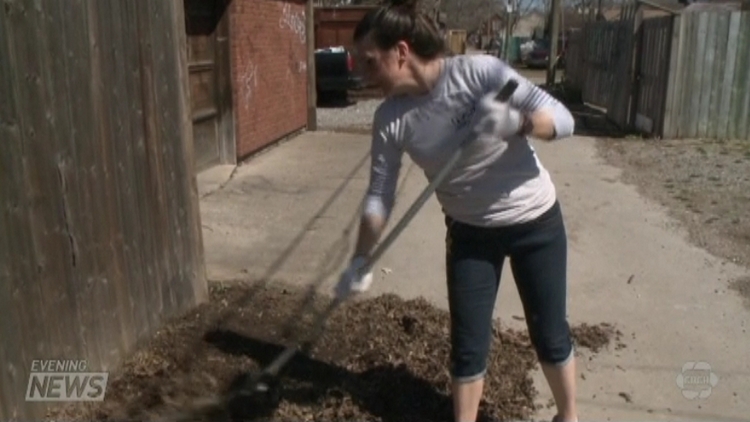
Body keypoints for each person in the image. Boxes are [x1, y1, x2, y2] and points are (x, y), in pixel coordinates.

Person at [333, 1, 578, 421]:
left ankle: (568, 416)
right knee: (467, 346)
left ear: (402, 52)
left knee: (549, 334)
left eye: (370, 62)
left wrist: (518, 122)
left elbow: (563, 118)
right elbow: (379, 195)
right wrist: (361, 256)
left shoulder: (481, 73)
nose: (362, 73)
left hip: (534, 221)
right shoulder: (390, 119)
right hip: (470, 234)